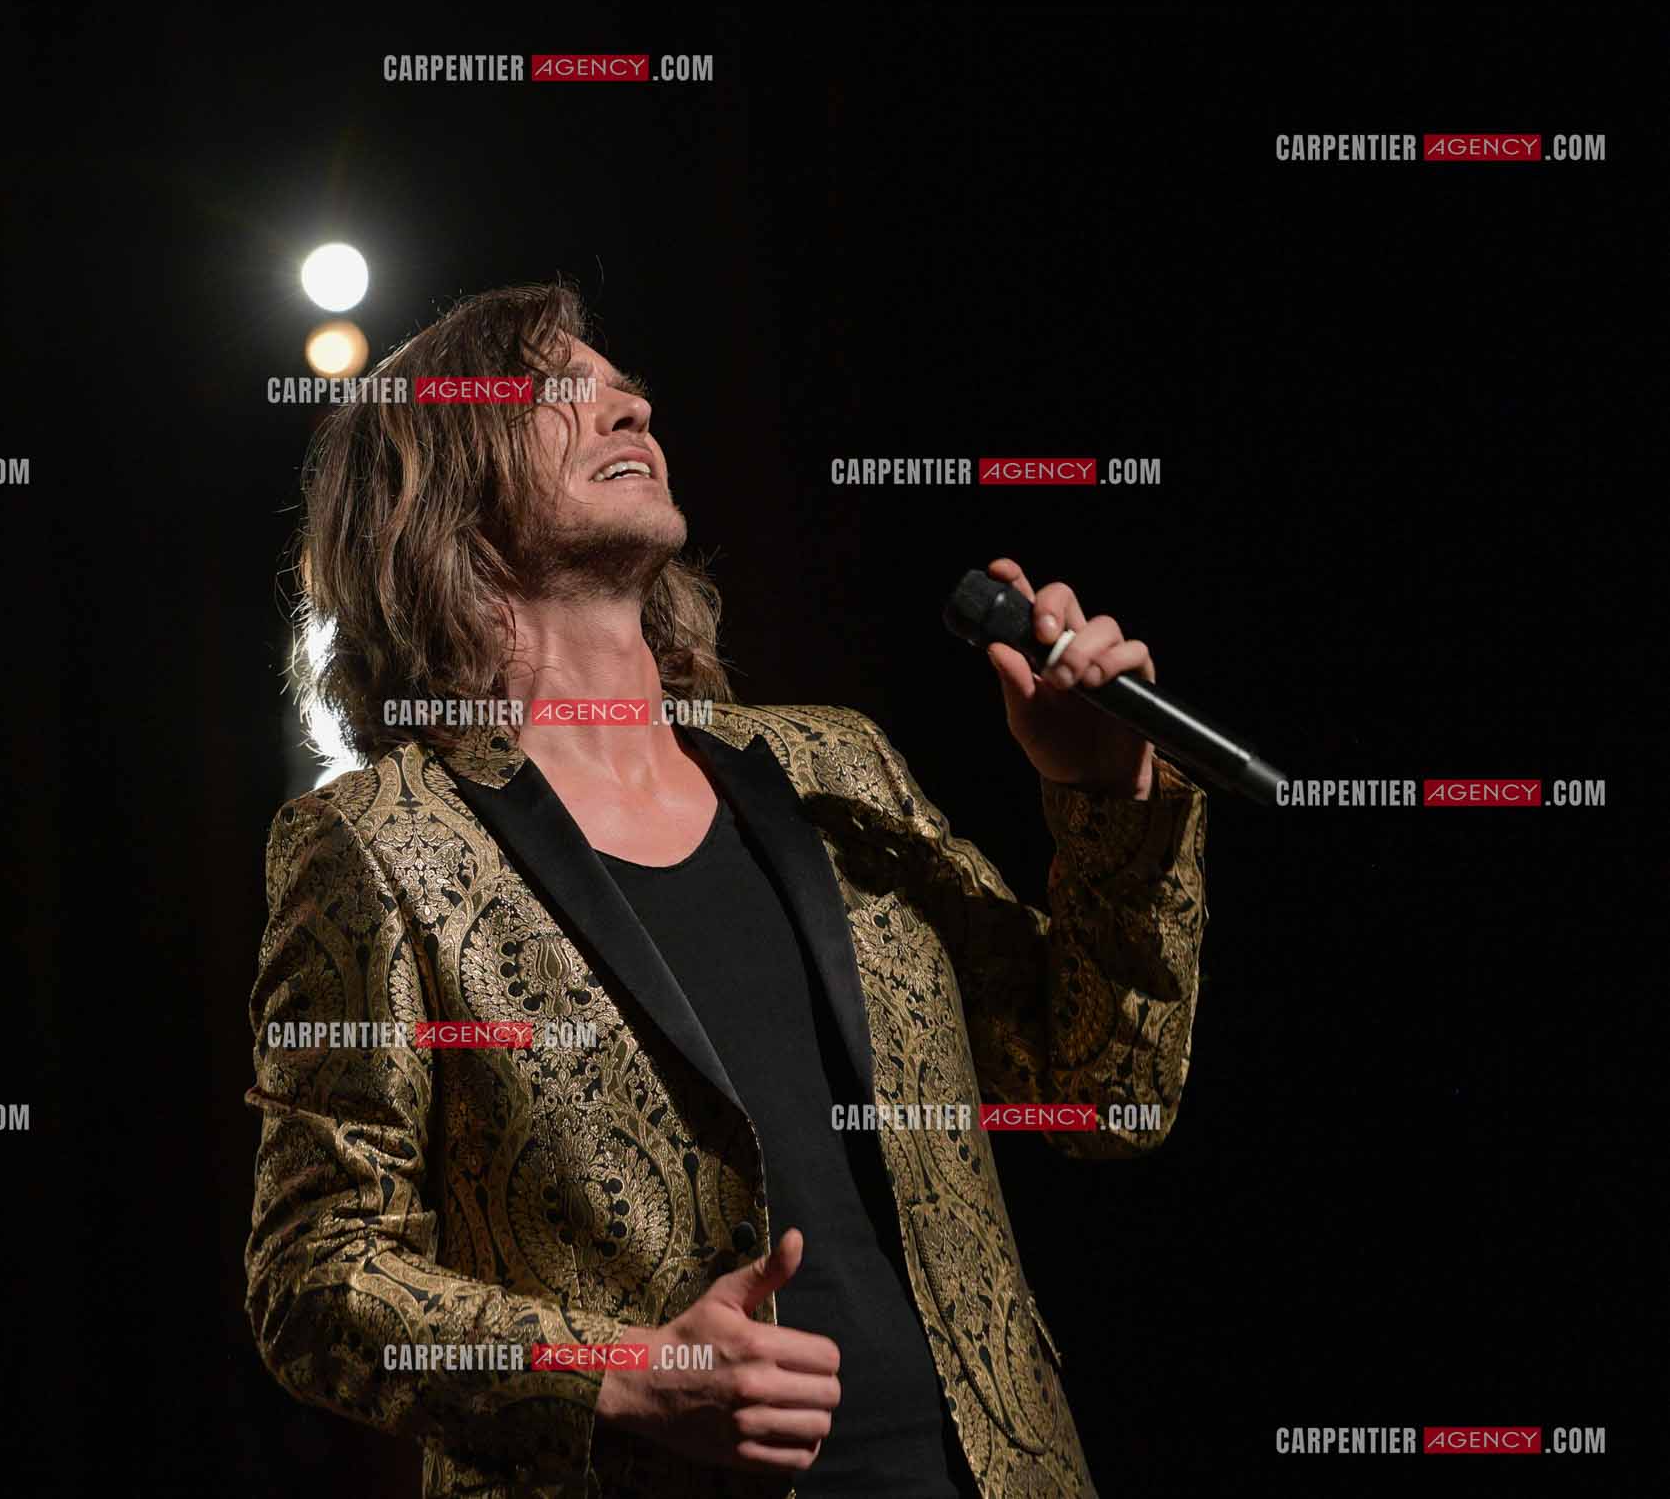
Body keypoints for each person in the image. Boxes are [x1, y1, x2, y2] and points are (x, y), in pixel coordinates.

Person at [244, 282, 1208, 1498]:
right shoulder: (380, 842)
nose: (631, 403)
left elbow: (1104, 1099)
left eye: (626, 382)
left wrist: (1108, 799)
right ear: (436, 486)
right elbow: (318, 1273)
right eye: (557, 387)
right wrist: (621, 1377)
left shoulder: (831, 770)